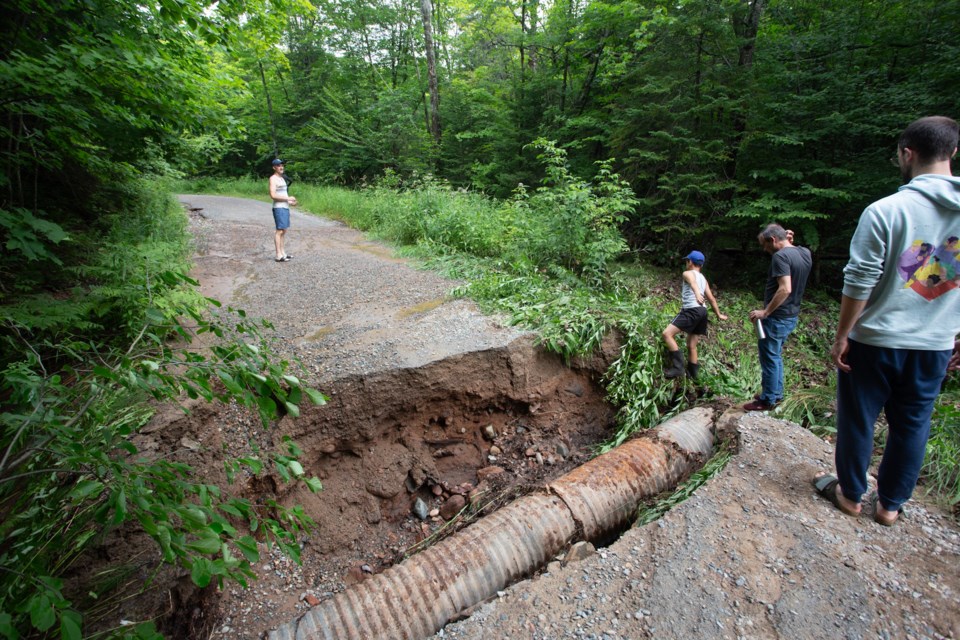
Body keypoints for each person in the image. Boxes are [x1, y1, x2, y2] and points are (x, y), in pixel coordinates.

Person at [815, 115, 960, 526]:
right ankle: (891, 505)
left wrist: (843, 334)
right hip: (935, 343)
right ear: (953, 153)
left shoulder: (886, 211)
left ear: (906, 154)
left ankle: (850, 495)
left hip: (875, 339)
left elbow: (860, 280)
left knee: (858, 417)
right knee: (913, 424)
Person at [743, 224, 812, 411]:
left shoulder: (780, 257)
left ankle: (766, 400)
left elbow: (785, 288)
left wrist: (765, 312)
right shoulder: (804, 252)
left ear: (773, 240)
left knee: (769, 357)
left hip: (777, 317)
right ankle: (775, 393)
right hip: (791, 315)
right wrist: (789, 242)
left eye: (765, 245)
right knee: (776, 355)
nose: (765, 250)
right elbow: (792, 252)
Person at [662, 250, 728, 380]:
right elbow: (712, 299)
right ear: (701, 265)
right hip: (703, 312)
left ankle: (678, 368)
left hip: (691, 310)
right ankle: (693, 375)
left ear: (690, 262)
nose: (686, 263)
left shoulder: (687, 273)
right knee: (692, 345)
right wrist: (718, 314)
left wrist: (697, 293)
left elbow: (692, 282)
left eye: (687, 261)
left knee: (667, 334)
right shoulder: (703, 279)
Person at [269, 158, 297, 262]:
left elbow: (282, 194)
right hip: (278, 208)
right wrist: (287, 198)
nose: (281, 167)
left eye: (282, 165)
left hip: (285, 207)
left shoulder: (282, 178)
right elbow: (273, 195)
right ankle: (278, 255)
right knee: (279, 231)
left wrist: (290, 202)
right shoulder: (273, 179)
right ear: (274, 167)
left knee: (284, 230)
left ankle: (283, 253)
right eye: (278, 165)